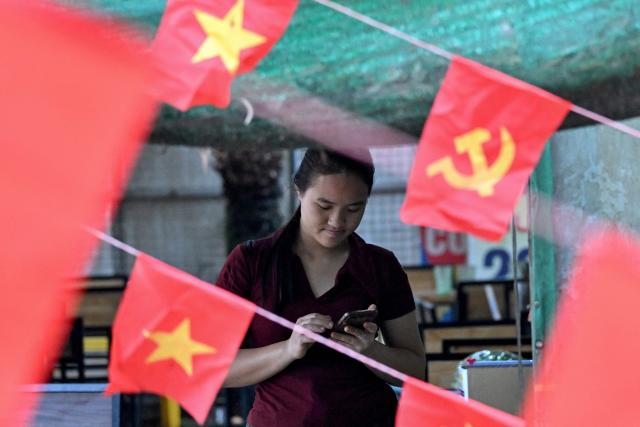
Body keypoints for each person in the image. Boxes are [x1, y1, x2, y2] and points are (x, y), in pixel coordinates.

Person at [217, 148, 425, 427]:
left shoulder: (380, 265)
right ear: (298, 192)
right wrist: (288, 348)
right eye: (324, 206)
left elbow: (415, 371)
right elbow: (218, 368)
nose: (337, 222)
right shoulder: (251, 262)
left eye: (354, 208)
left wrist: (370, 351)